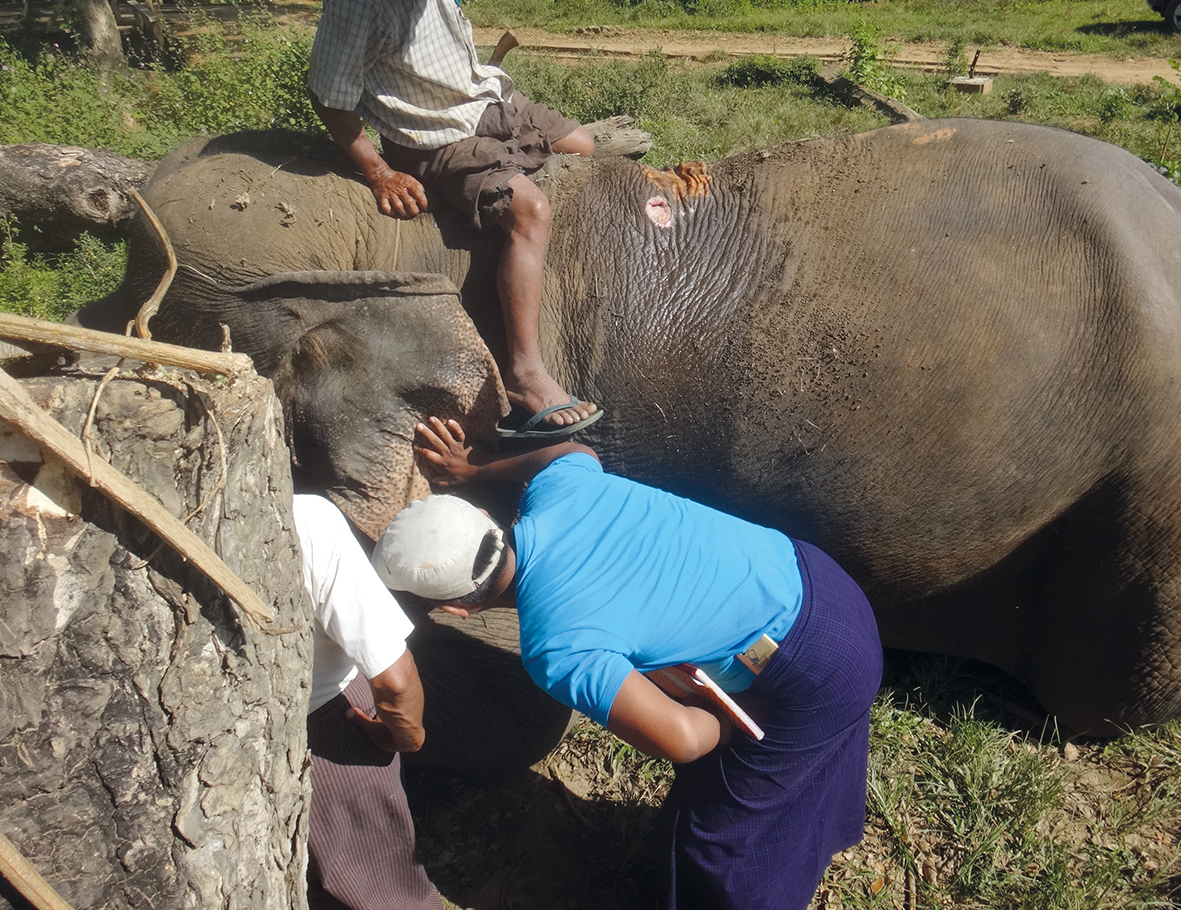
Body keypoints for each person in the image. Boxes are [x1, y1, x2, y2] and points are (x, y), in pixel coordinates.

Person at [368, 417, 884, 910]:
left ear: (457, 608)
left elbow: (680, 738)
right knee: (798, 758)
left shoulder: (556, 648)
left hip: (814, 669)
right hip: (821, 579)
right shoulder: (559, 489)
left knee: (714, 842)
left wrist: (730, 723)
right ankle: (826, 820)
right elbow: (572, 451)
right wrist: (473, 470)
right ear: (485, 517)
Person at [307, 0, 600, 437]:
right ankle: (524, 372)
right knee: (532, 212)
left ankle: (505, 164)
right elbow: (326, 93)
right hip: (428, 135)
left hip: (476, 99)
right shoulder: (359, 5)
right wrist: (379, 171)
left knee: (584, 143)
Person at [293, 493, 443, 910]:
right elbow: (396, 680)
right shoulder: (305, 520)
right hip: (330, 725)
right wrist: (406, 738)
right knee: (382, 890)